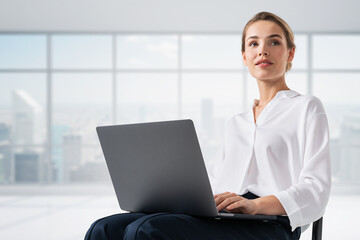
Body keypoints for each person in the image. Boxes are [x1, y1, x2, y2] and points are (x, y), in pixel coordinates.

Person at [84, 11, 331, 240]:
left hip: (271, 222)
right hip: (224, 215)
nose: (262, 51)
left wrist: (255, 205)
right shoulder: (237, 123)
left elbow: (316, 188)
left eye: (274, 42)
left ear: (290, 53)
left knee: (145, 231)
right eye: (253, 43)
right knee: (103, 229)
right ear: (245, 57)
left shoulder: (307, 107)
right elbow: (214, 180)